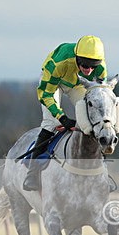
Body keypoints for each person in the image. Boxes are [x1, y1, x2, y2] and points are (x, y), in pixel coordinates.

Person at [23, 35, 108, 191]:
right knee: (51, 123)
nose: (88, 70)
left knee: (92, 118)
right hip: (53, 84)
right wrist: (62, 118)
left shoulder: (100, 69)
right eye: (84, 64)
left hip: (76, 85)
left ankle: (101, 169)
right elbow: (45, 95)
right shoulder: (58, 63)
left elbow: (98, 96)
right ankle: (32, 173)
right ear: (77, 57)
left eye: (92, 66)